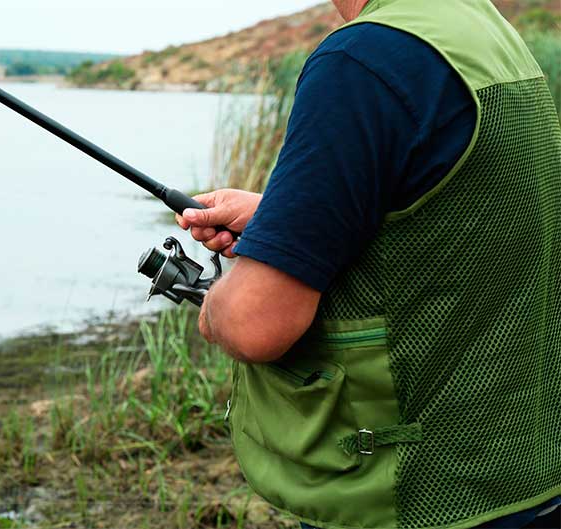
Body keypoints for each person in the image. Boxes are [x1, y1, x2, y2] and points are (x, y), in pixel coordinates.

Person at [176, 0, 561, 528]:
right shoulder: (482, 28)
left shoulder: (362, 60)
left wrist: (216, 304)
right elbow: (464, 215)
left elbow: (253, 324)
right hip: (523, 477)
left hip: (415, 495)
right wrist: (285, 223)